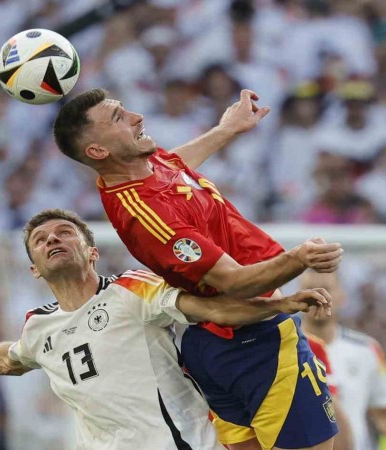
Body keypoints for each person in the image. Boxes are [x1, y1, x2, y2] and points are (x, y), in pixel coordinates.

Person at [51, 88, 343, 450]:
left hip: (210, 342)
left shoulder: (139, 167)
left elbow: (174, 165)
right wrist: (299, 259)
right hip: (256, 344)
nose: (137, 117)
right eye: (118, 118)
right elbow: (234, 282)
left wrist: (226, 129)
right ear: (98, 151)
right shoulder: (150, 218)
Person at [0, 209, 333, 450]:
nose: (52, 240)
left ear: (92, 252)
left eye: (64, 233)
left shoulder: (131, 289)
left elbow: (211, 310)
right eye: (40, 240)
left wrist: (276, 305)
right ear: (34, 269)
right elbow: (11, 358)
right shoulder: (39, 326)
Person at [300, 270, 386, 450]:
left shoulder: (366, 349)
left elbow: (385, 412)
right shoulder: (280, 348)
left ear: (341, 296)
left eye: (326, 289)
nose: (317, 297)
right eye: (309, 289)